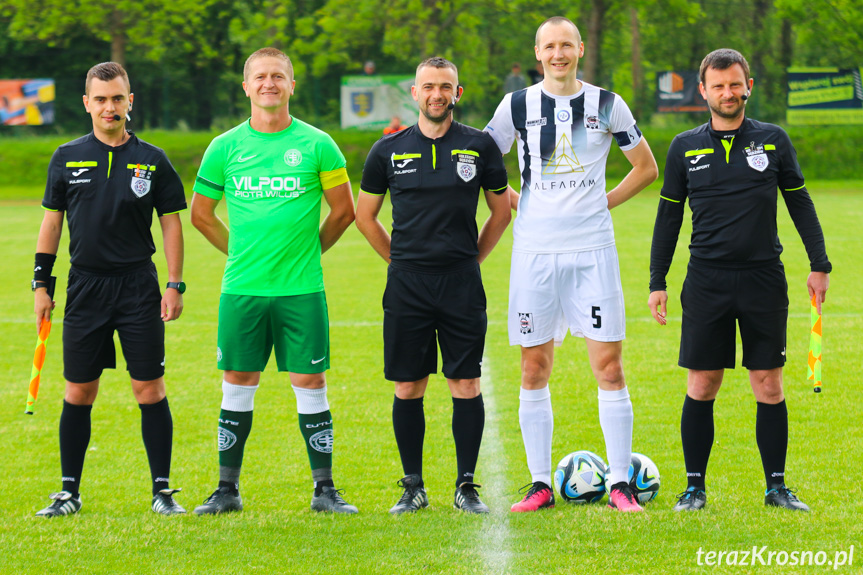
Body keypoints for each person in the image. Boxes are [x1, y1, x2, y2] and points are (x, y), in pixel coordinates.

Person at [484, 16, 658, 513]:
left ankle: (620, 483)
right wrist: (520, 202)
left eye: (566, 45)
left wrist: (604, 203)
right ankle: (540, 484)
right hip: (534, 255)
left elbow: (646, 168)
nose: (558, 54)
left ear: (580, 49)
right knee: (533, 367)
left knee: (609, 366)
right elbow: (483, 163)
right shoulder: (516, 105)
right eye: (549, 46)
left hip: (592, 254)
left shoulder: (607, 103)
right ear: (537, 53)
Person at [648, 49, 831, 512]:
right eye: (718, 85)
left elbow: (800, 202)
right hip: (706, 280)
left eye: (735, 84)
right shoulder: (683, 147)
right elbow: (668, 218)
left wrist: (819, 264)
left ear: (748, 85)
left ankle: (776, 487)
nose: (728, 93)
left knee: (768, 382)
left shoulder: (773, 140)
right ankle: (694, 488)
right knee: (702, 382)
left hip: (763, 279)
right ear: (703, 90)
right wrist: (657, 280)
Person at [190, 47, 357, 515]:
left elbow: (343, 211)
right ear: (245, 87)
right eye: (260, 77)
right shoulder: (224, 147)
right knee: (237, 380)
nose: (269, 84)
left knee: (310, 379)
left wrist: (306, 251)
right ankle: (226, 490)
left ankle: (324, 490)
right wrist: (240, 253)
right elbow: (201, 216)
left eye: (277, 76)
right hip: (242, 290)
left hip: (301, 289)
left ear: (291, 85)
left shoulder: (318, 144)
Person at [356, 57, 511, 514]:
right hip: (407, 286)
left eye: (446, 86)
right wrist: (398, 261)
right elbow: (365, 218)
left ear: (457, 94)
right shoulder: (387, 151)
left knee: (465, 383)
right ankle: (413, 486)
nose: (437, 94)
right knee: (409, 386)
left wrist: (472, 259)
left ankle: (466, 485)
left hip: (461, 284)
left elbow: (501, 213)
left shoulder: (479, 146)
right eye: (428, 86)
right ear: (415, 93)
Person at [33, 62, 187, 517]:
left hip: (139, 286)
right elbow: (51, 223)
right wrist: (42, 285)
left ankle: (162, 491)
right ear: (87, 103)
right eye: (100, 99)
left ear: (129, 101)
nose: (109, 107)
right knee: (79, 391)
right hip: (85, 288)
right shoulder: (66, 156)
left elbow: (172, 223)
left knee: (149, 389)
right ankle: (68, 493)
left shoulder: (153, 159)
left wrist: (174, 284)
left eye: (117, 98)